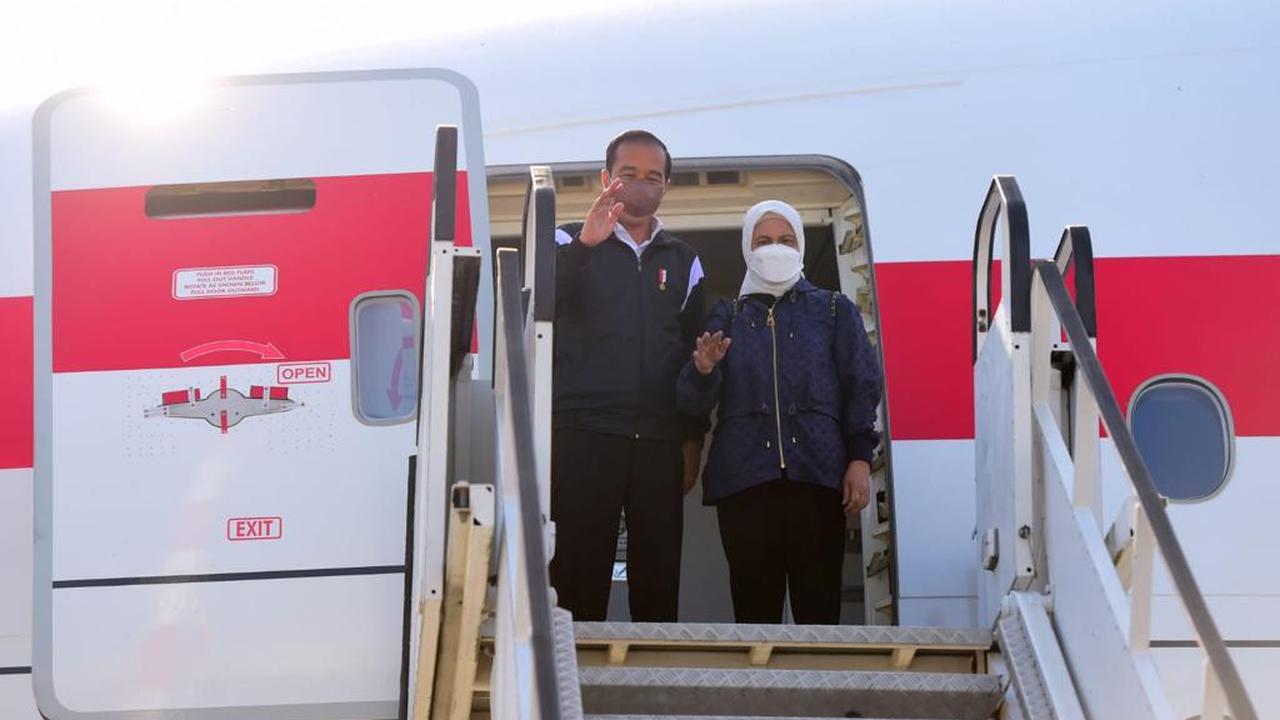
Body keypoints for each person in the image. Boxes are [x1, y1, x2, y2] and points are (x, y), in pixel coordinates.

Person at [676, 200, 882, 624]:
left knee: (819, 607)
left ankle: (820, 691)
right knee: (755, 609)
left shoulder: (832, 309)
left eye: (786, 240)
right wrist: (702, 370)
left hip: (818, 476)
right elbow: (691, 401)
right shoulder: (727, 315)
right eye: (764, 240)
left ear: (801, 245)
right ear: (747, 248)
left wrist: (860, 459)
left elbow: (861, 386)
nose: (775, 248)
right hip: (746, 482)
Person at [549, 130, 707, 621]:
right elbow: (534, 312)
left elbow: (691, 356)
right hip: (583, 432)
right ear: (606, 180)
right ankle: (571, 683)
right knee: (578, 569)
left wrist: (691, 439)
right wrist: (585, 247)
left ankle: (655, 683)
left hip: (659, 439)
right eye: (628, 174)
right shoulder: (565, 239)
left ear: (666, 186)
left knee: (659, 573)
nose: (641, 184)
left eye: (653, 177)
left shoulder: (685, 261)